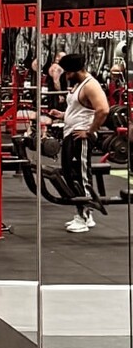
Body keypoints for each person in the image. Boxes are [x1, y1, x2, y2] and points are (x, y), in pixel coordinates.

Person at [49, 53, 109, 232]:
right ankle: (84, 214)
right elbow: (80, 109)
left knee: (81, 176)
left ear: (76, 70)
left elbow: (103, 110)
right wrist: (63, 115)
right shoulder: (79, 84)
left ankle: (83, 217)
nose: (66, 76)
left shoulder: (91, 85)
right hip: (72, 134)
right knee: (71, 175)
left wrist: (89, 132)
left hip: (80, 136)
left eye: (68, 73)